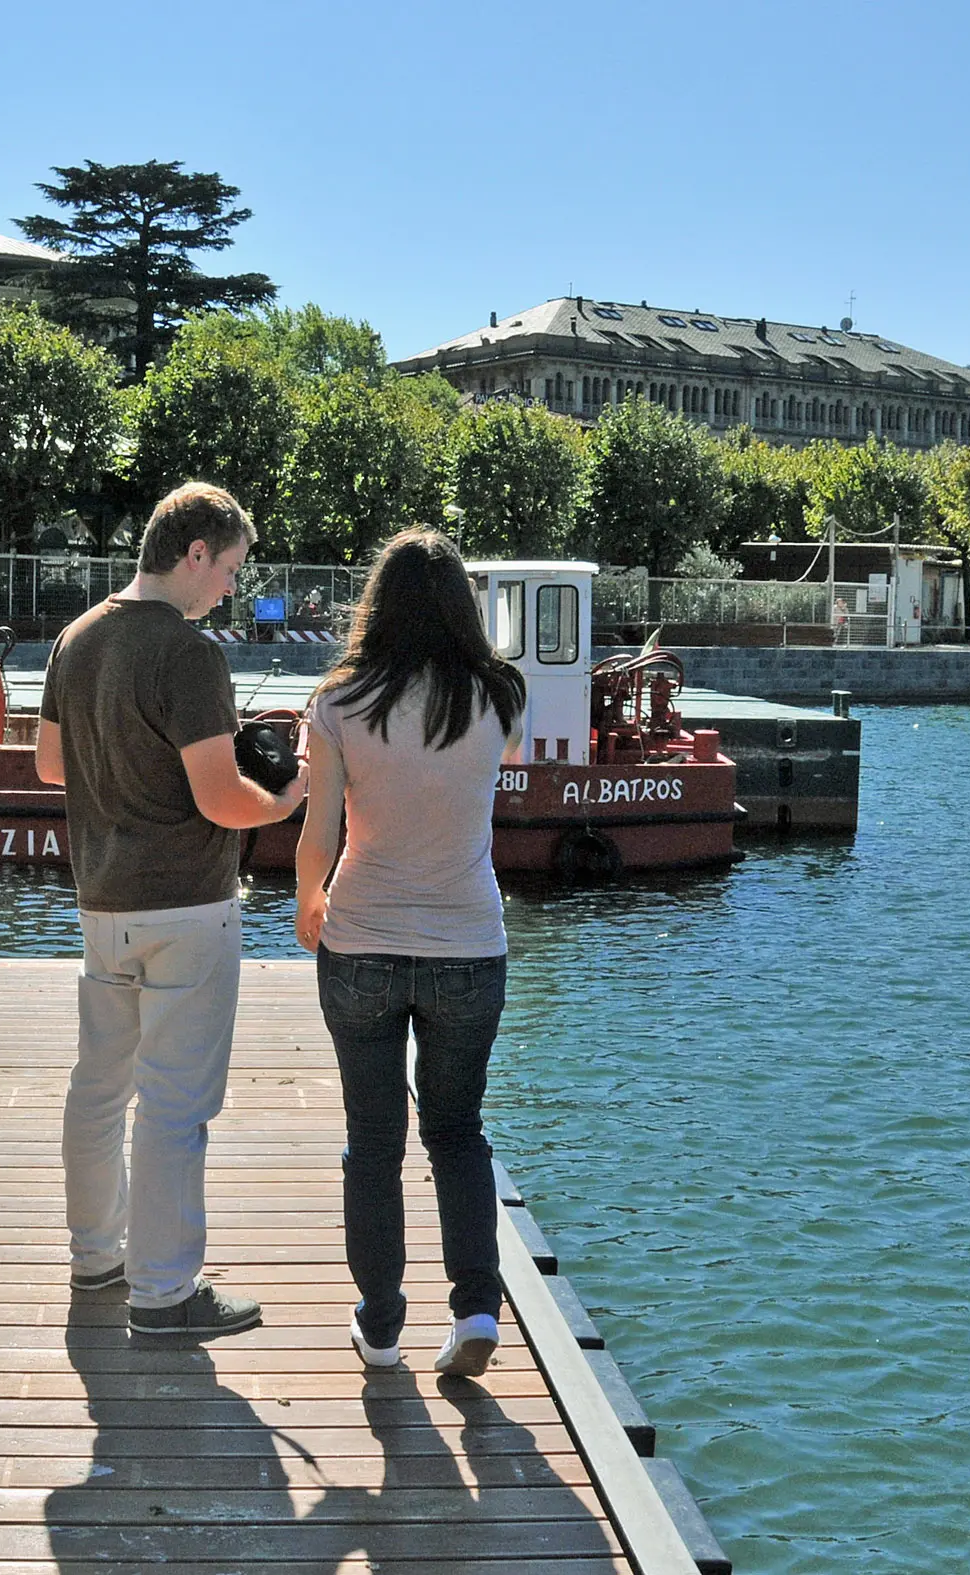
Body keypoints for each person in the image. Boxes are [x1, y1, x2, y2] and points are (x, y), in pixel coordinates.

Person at [37, 481, 310, 1338]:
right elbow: (224, 799)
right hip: (188, 909)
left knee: (99, 1085)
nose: (229, 587)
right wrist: (289, 800)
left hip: (102, 900)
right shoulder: (188, 654)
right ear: (194, 553)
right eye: (227, 568)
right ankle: (163, 1293)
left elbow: (50, 765)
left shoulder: (75, 638)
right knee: (174, 1104)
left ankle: (96, 1258)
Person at [293, 528, 526, 1377]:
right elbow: (501, 766)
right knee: (458, 1131)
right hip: (470, 943)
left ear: (376, 605)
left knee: (374, 1138)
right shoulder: (500, 696)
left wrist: (307, 900)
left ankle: (381, 1324)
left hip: (361, 940)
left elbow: (320, 830)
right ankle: (475, 1307)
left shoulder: (339, 702)